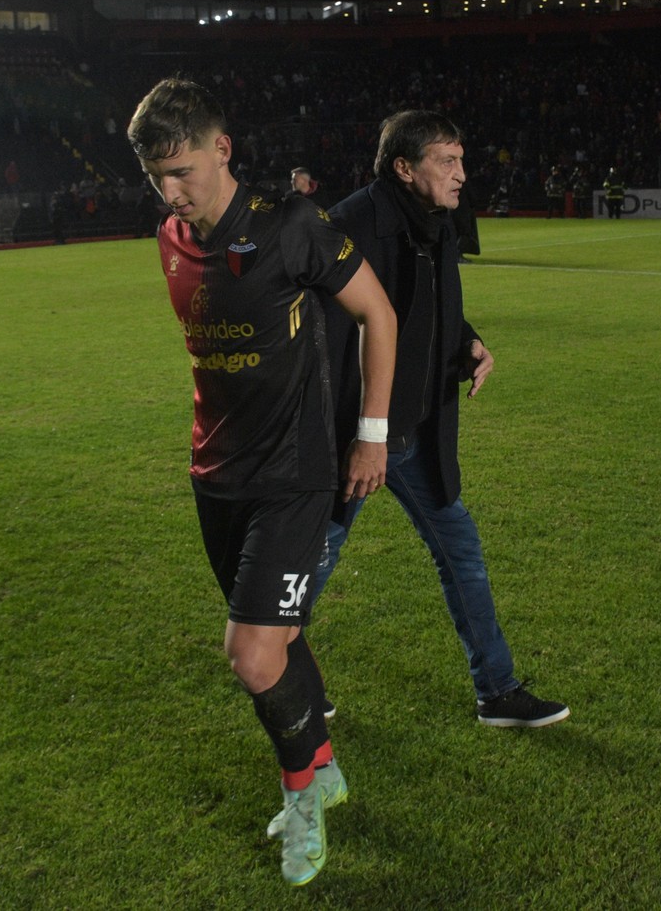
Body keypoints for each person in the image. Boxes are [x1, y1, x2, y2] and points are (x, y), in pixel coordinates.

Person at [128, 78, 397, 887]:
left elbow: (377, 315)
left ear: (222, 149)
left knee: (249, 654)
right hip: (214, 475)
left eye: (181, 170)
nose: (171, 192)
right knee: (280, 640)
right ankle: (324, 766)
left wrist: (370, 437)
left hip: (293, 476)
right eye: (154, 178)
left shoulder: (292, 228)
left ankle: (303, 800)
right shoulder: (170, 238)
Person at [316, 110, 569, 729]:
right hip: (356, 439)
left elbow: (429, 307)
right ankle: (276, 672)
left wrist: (467, 342)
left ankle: (497, 690)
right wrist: (363, 436)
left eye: (462, 160)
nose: (462, 174)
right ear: (404, 168)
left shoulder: (435, 219)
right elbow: (321, 341)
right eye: (447, 162)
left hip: (418, 434)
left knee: (461, 552)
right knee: (305, 566)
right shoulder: (349, 225)